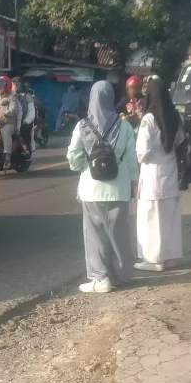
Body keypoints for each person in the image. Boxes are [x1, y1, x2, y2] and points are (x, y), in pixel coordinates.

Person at [67, 80, 138, 293]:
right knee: (119, 233)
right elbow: (132, 160)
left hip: (92, 188)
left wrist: (85, 166)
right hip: (119, 188)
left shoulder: (83, 126)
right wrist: (133, 181)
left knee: (95, 234)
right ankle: (122, 276)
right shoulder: (124, 125)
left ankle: (100, 279)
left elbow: (73, 157)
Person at [134, 76, 184, 272]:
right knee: (169, 218)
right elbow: (180, 141)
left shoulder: (148, 118)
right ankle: (171, 257)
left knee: (150, 219)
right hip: (170, 174)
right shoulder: (175, 115)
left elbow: (142, 151)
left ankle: (153, 260)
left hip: (152, 177)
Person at [12, 77, 36, 151]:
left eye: (12, 85)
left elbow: (32, 112)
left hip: (24, 122)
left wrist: (25, 121)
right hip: (11, 121)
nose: (11, 87)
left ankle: (26, 151)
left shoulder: (27, 96)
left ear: (18, 85)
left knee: (23, 132)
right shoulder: (10, 96)